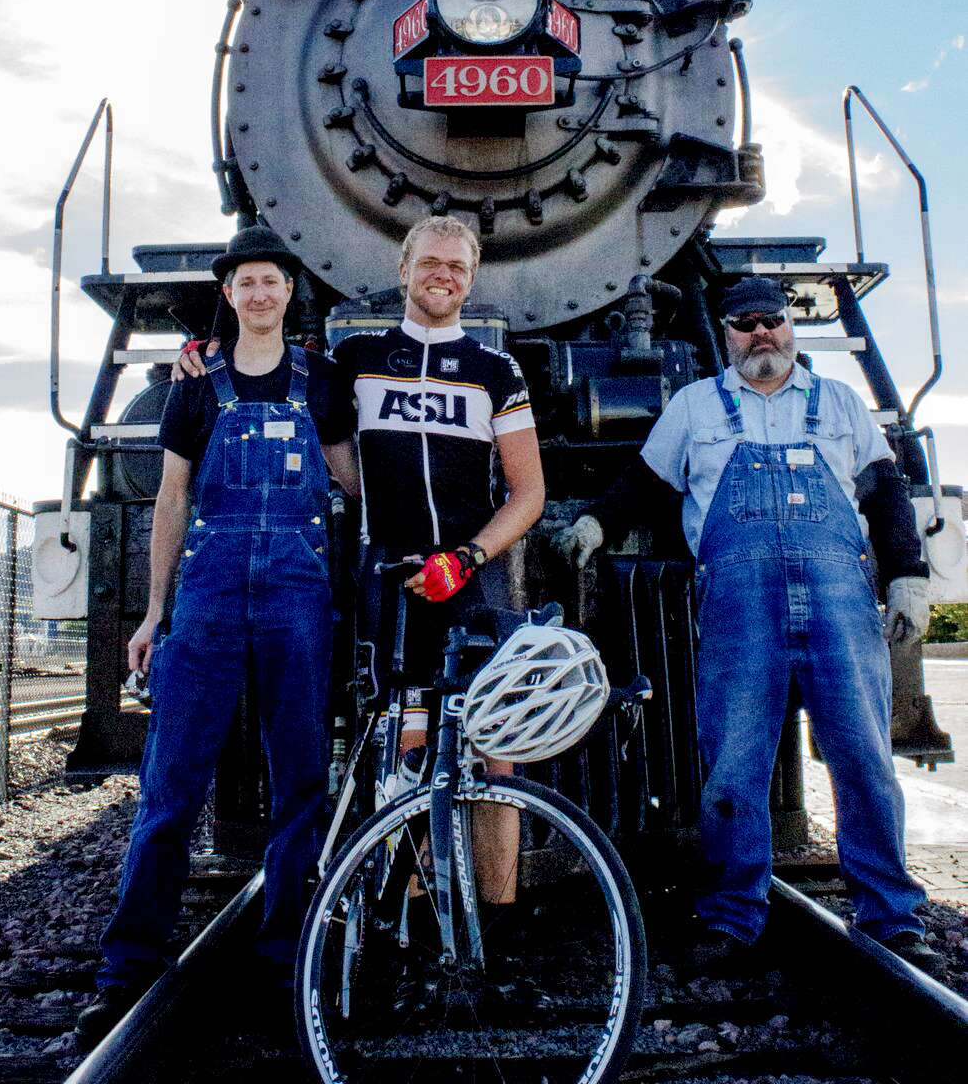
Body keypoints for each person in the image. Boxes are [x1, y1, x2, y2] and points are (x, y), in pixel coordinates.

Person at [555, 276, 939, 974]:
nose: (760, 334)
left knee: (862, 758)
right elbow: (646, 483)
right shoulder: (695, 406)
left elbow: (883, 491)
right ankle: (732, 915)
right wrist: (593, 522)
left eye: (771, 321)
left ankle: (890, 915)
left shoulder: (840, 404)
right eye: (743, 324)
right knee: (734, 764)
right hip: (739, 603)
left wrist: (907, 572)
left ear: (788, 326)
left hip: (838, 600)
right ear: (725, 333)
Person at [175, 215, 546, 919]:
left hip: (474, 576)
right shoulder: (355, 358)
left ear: (470, 280)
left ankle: (499, 921)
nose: (443, 276)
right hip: (391, 580)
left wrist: (468, 558)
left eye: (458, 267)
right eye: (430, 263)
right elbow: (269, 365)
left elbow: (528, 491)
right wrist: (203, 351)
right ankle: (409, 915)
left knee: (498, 748)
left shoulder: (497, 371)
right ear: (403, 272)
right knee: (405, 750)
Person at [76, 227, 359, 1046]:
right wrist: (154, 611)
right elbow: (170, 500)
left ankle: (285, 958)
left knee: (301, 779)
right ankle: (127, 967)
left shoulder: (322, 381)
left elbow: (349, 481)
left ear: (286, 293)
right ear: (229, 295)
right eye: (247, 282)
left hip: (297, 596)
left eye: (273, 280)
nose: (261, 293)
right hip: (206, 595)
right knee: (169, 786)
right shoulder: (194, 385)